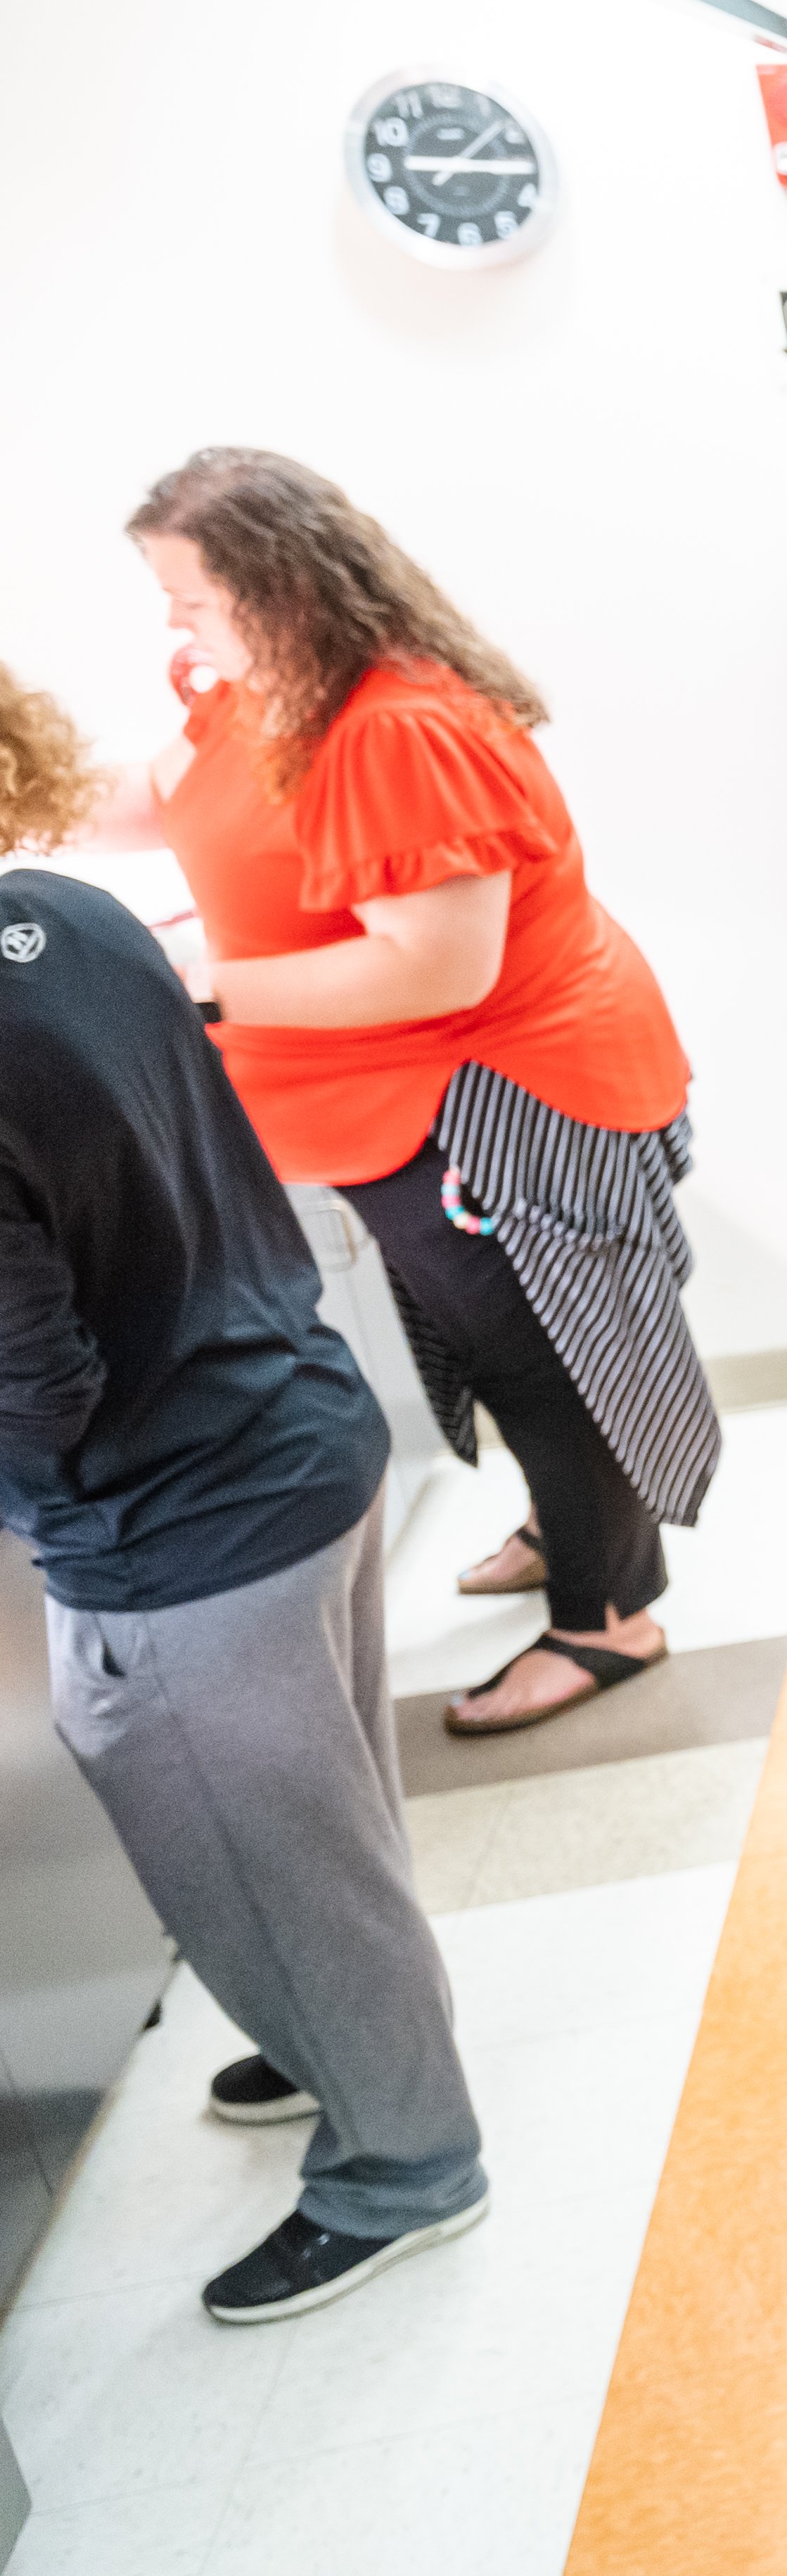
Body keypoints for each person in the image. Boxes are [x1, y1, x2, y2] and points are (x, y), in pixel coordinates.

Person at [0, 662, 492, 2323]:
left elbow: (37, 1393)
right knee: (326, 1835)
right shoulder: (70, 913)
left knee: (272, 1859)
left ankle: (405, 2160)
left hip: (185, 1537)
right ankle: (323, 2035)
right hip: (303, 1429)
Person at [84, 450, 715, 1735]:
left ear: (274, 586)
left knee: (546, 1356)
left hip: (497, 1097)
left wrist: (196, 974)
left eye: (186, 597)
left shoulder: (393, 727)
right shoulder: (273, 694)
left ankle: (612, 1622)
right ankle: (569, 1523)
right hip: (390, 1108)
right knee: (493, 1342)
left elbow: (434, 966)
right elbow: (168, 795)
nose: (172, 625)